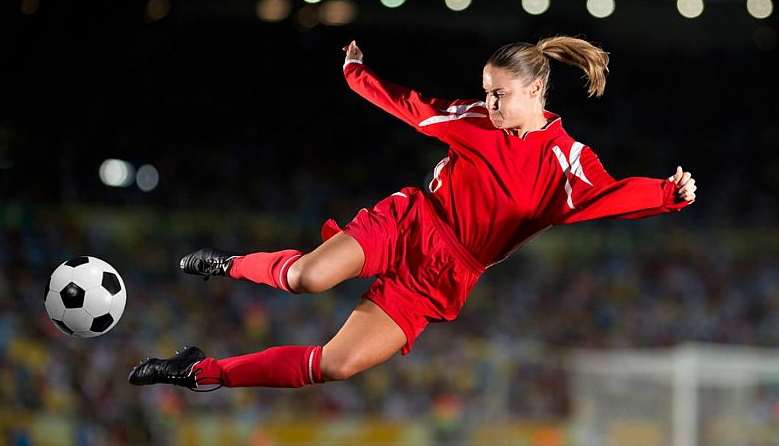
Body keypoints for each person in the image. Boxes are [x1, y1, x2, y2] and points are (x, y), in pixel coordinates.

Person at [129, 36, 696, 391]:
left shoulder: (568, 161)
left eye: (500, 94)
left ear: (538, 88)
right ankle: (227, 263)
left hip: (445, 276)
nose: (490, 104)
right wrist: (357, 75)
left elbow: (609, 194)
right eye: (486, 92)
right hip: (411, 224)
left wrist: (667, 194)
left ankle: (197, 371)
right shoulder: (476, 119)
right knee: (307, 277)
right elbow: (413, 107)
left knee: (335, 366)